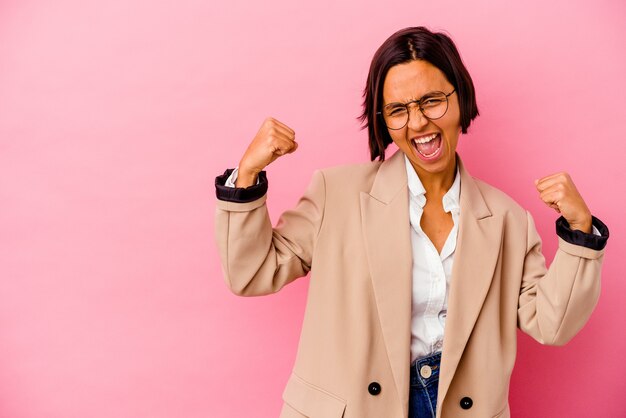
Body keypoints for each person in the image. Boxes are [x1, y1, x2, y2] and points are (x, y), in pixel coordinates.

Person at [213, 26, 609, 418]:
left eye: (431, 101)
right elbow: (251, 273)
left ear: (460, 99)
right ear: (382, 120)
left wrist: (580, 234)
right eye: (398, 111)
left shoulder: (507, 220)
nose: (418, 123)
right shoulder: (336, 193)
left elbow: (553, 323)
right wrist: (247, 175)